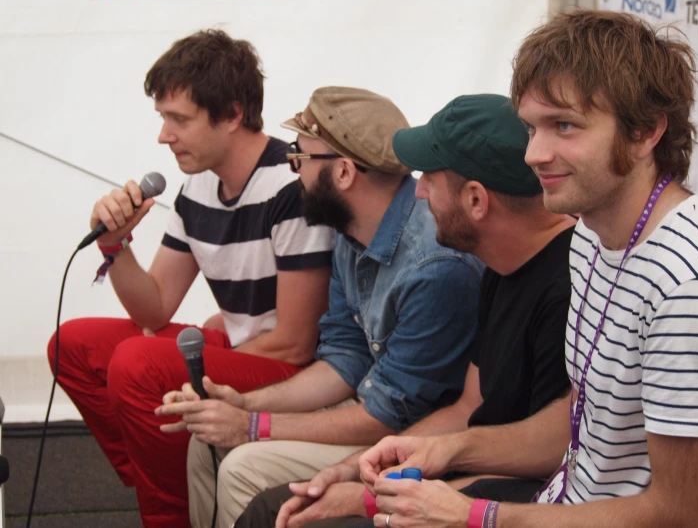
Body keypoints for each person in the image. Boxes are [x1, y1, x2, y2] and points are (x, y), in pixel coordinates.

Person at [355, 10, 698, 528]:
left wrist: (476, 514)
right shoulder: (588, 235)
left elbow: (682, 514)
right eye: (531, 127)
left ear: (646, 132)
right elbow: (579, 425)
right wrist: (449, 449)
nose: (535, 153)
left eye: (564, 126)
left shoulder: (694, 286)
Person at [235, 93, 577, 528]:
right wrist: (357, 467)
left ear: (476, 200)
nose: (417, 189)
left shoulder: (566, 285)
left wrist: (376, 498)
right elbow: (467, 408)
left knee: (290, 513)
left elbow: (554, 464)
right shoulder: (501, 264)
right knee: (274, 508)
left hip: (514, 502)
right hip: (474, 479)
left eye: (430, 178)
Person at [156, 86, 485, 528]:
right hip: (380, 414)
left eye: (299, 157)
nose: (294, 171)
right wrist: (244, 405)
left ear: (345, 172)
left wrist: (250, 425)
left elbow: (387, 415)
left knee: (241, 467)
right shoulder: (352, 229)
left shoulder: (435, 265)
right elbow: (344, 359)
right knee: (207, 442)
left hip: (419, 438)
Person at [47, 29, 335, 528]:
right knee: (72, 345)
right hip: (247, 352)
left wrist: (189, 365)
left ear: (231, 115)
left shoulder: (291, 184)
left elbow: (293, 344)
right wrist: (114, 244)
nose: (163, 135)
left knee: (139, 362)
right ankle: (160, 476)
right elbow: (154, 308)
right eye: (163, 118)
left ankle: (172, 514)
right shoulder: (197, 187)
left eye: (178, 119)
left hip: (295, 370)